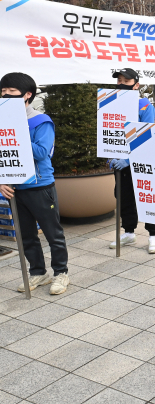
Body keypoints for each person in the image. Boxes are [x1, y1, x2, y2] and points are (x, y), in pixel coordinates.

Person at [0, 72, 70, 295]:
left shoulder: (41, 121)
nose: (5, 97)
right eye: (2, 93)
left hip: (40, 186)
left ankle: (61, 273)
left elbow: (42, 153)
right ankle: (38, 272)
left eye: (11, 93)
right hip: (15, 189)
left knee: (53, 234)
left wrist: (19, 131)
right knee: (27, 235)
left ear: (27, 95)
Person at [108, 68, 155, 253]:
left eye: (126, 81)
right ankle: (129, 232)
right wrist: (111, 154)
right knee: (123, 196)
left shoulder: (145, 106)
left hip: (140, 161)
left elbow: (146, 135)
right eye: (119, 81)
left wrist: (129, 160)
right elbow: (109, 133)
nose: (121, 84)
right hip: (119, 163)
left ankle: (153, 235)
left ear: (136, 85)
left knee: (146, 196)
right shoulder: (111, 104)